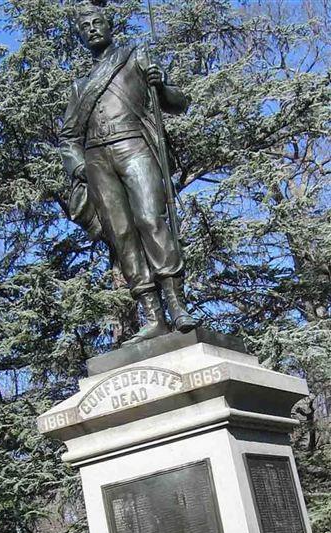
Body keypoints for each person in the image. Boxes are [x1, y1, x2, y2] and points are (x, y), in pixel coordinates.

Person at [60, 1, 197, 344]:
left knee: (150, 220)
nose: (91, 29)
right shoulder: (79, 88)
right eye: (84, 26)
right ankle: (153, 317)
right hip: (96, 162)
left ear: (109, 25)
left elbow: (178, 103)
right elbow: (68, 138)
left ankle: (177, 306)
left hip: (133, 146)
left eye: (96, 22)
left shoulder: (135, 56)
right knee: (121, 236)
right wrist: (78, 166)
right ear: (80, 36)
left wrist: (161, 85)